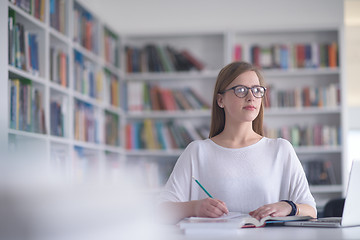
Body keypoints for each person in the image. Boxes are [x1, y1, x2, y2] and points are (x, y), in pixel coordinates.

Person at [159, 61, 317, 223]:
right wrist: (193, 207)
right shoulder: (198, 151)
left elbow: (311, 211)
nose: (251, 97)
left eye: (257, 90)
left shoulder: (281, 149)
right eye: (240, 90)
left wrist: (289, 207)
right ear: (220, 100)